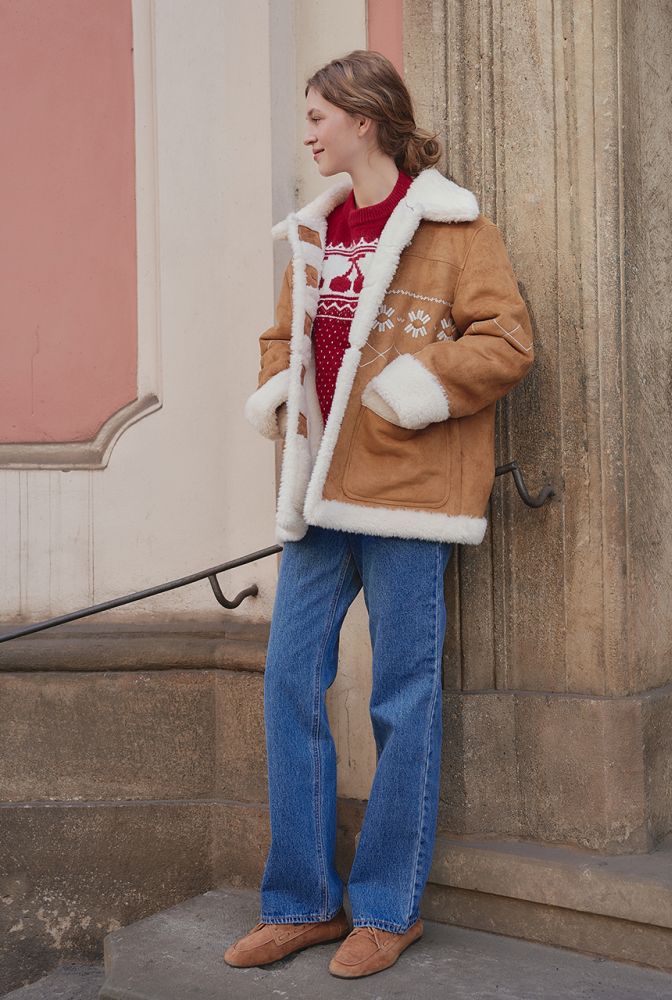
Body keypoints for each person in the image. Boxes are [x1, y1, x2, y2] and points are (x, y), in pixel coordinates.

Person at [224, 49, 534, 980]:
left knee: (403, 700)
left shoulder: (455, 226)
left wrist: (414, 386)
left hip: (408, 500)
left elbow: (506, 340)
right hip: (317, 499)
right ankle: (301, 903)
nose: (309, 134)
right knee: (289, 685)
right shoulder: (314, 232)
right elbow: (281, 335)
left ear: (365, 118)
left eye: (319, 116)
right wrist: (282, 389)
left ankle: (389, 910)